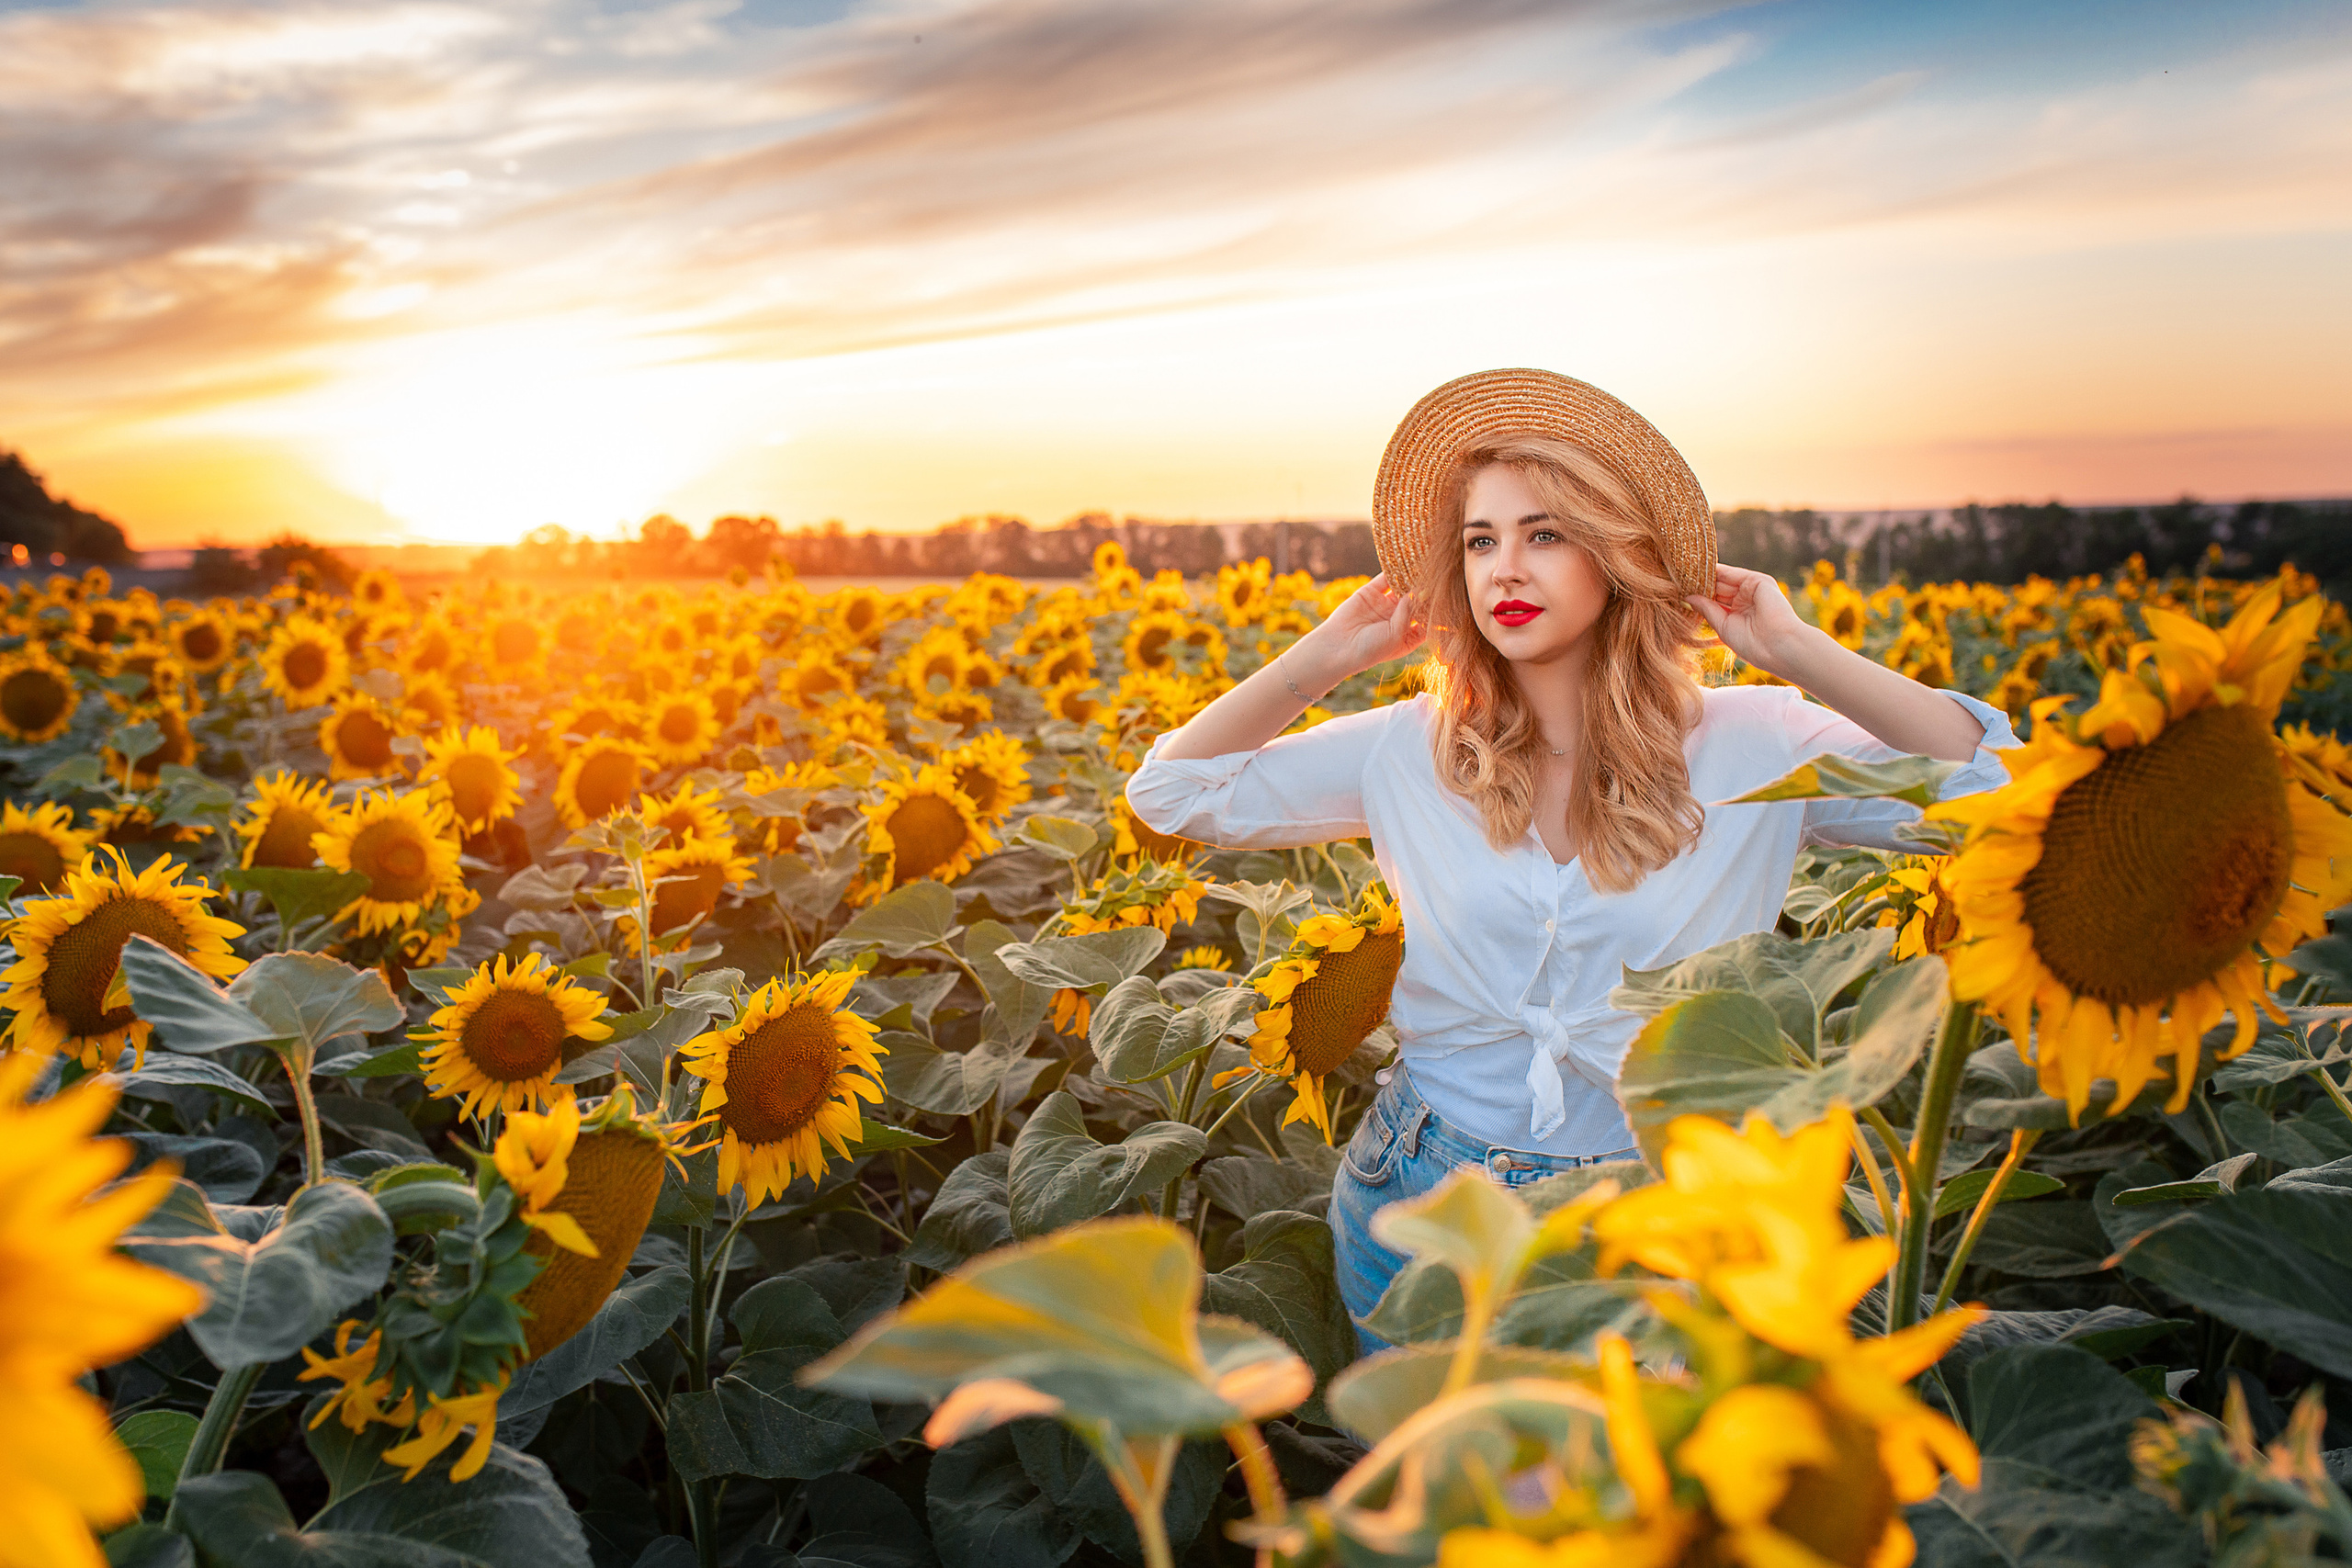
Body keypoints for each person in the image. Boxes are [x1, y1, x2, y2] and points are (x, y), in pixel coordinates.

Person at [1124, 368, 2016, 1347]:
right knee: (1436, 1495)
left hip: (1661, 1229)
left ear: (1616, 554)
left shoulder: (1754, 740)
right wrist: (1326, 657)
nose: (1504, 568)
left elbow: (1993, 792)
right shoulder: (1409, 747)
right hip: (1419, 1205)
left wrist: (1797, 651)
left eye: (1543, 534)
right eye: (1479, 541)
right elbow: (1172, 795)